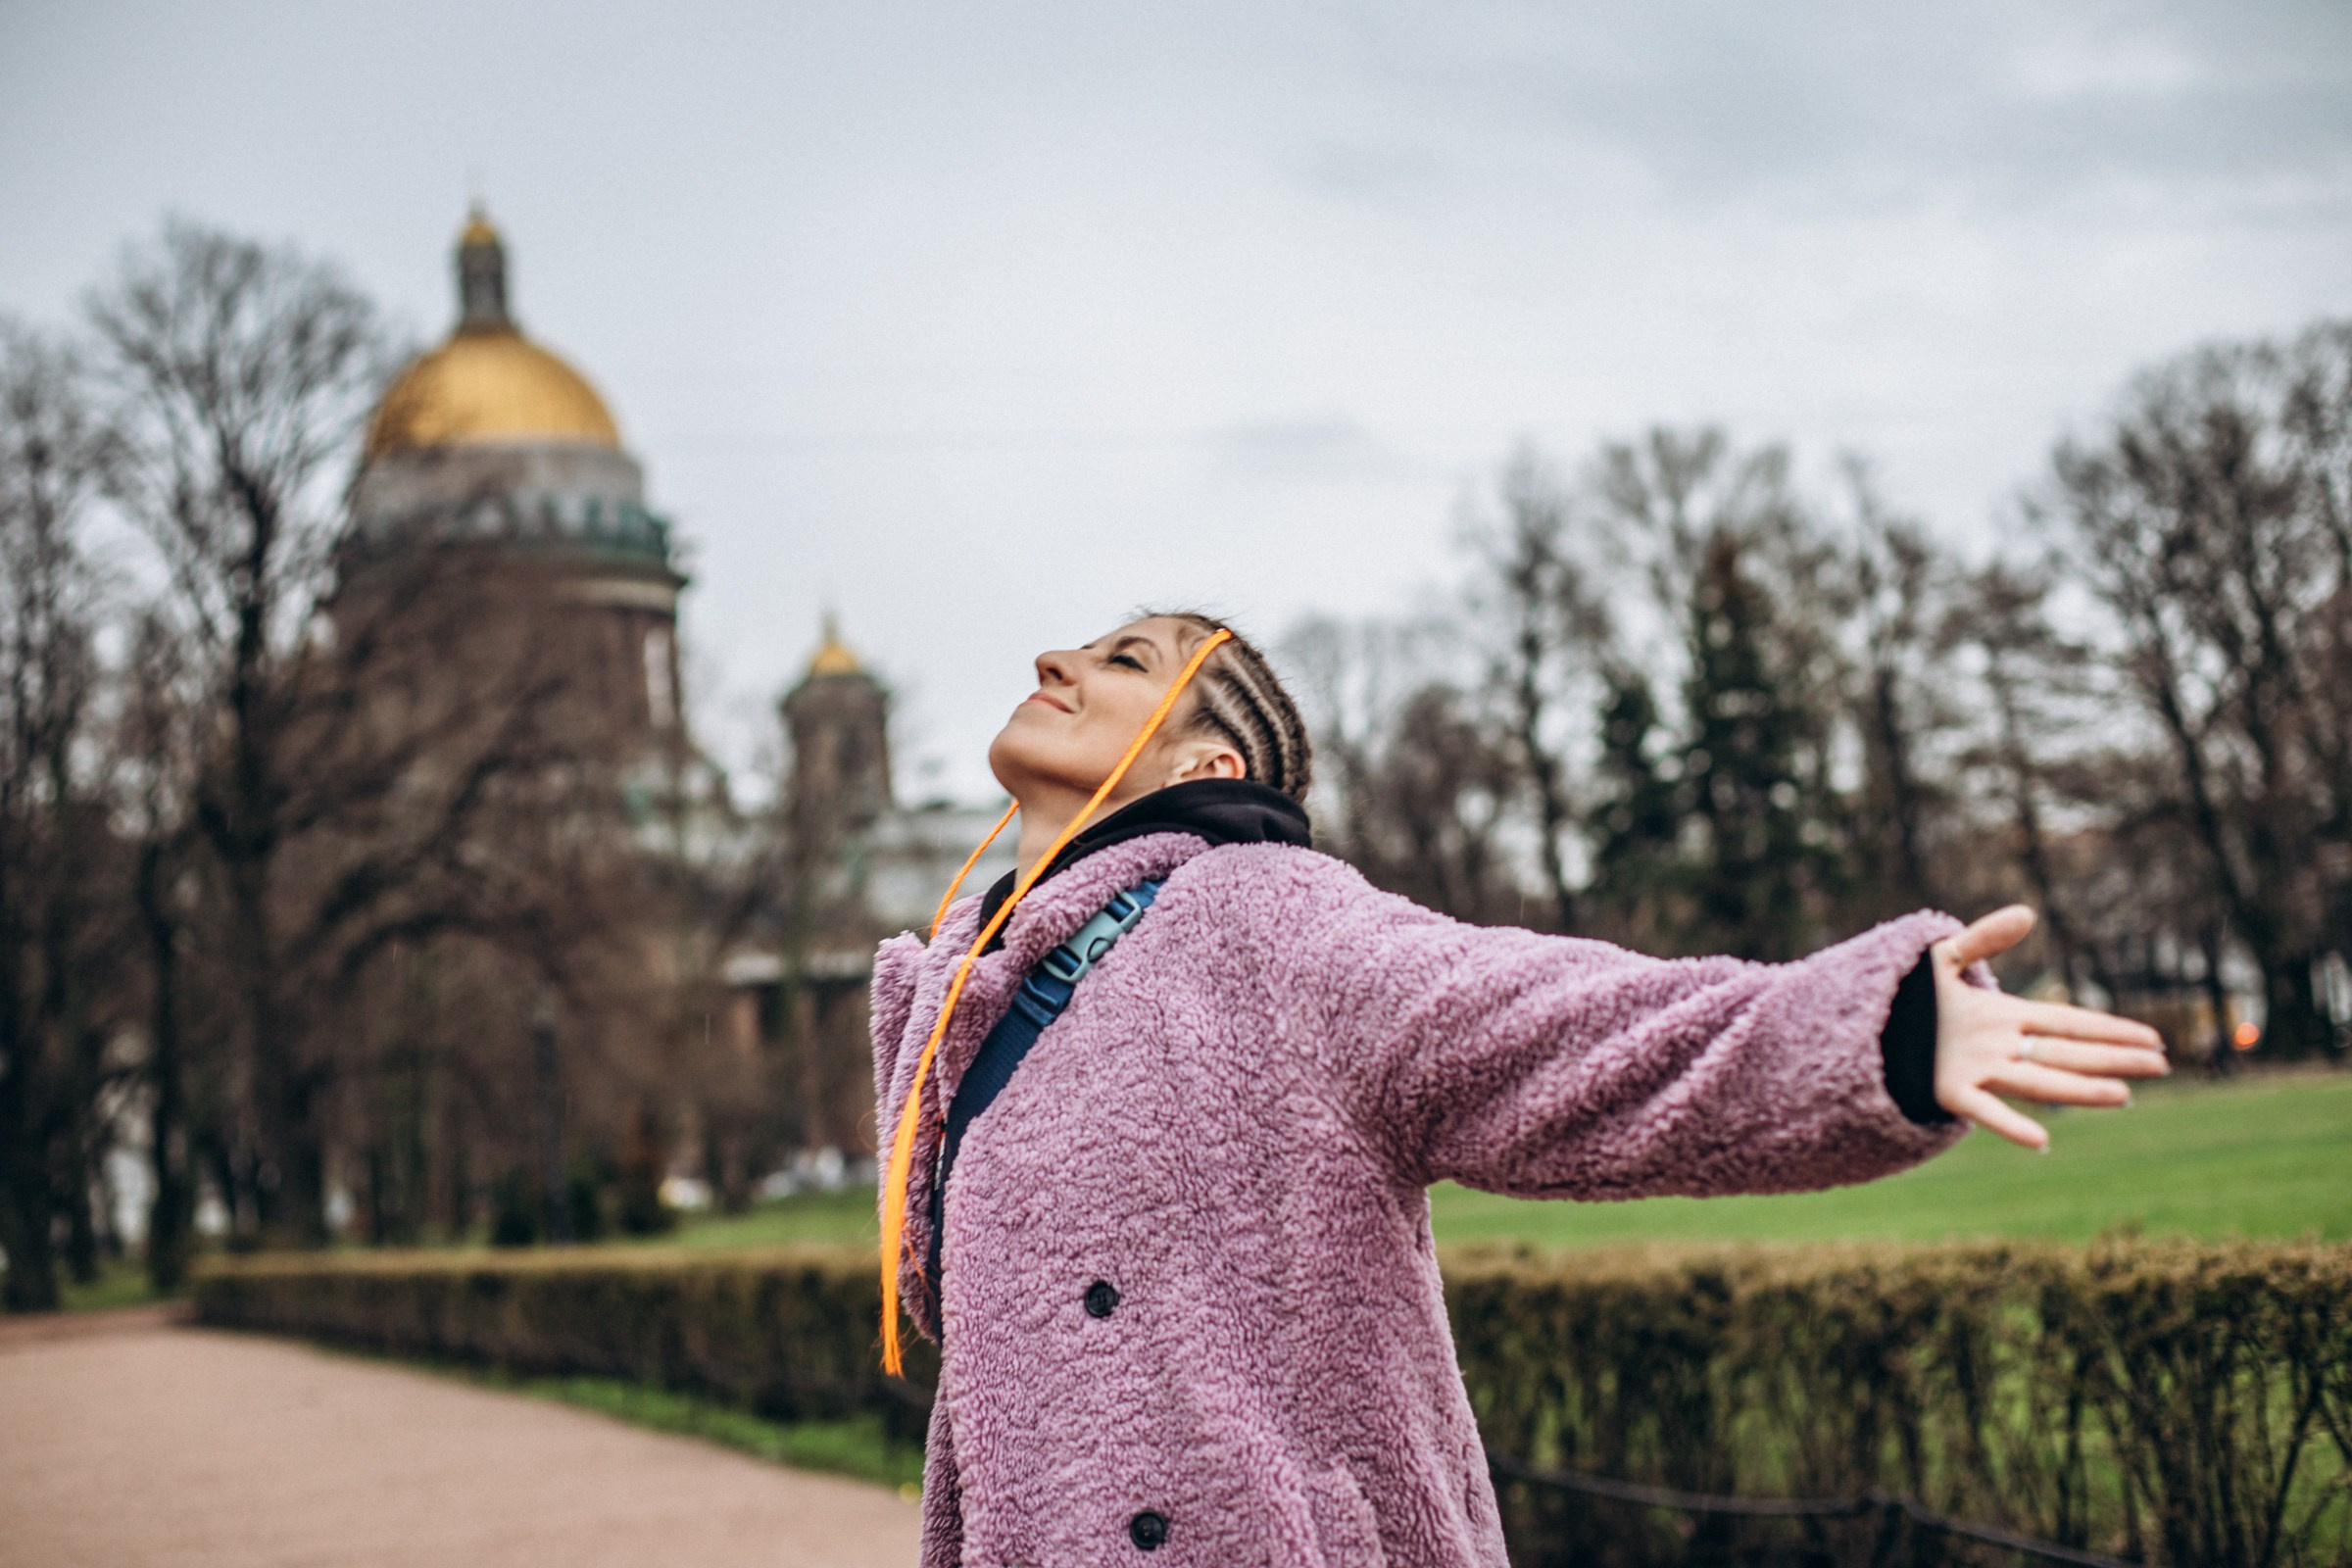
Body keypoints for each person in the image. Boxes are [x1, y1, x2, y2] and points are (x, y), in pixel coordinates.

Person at [870, 612, 2166, 1567]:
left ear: (1206, 774)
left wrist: (1864, 1030)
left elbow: (1546, 1024)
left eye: (1126, 663)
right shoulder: (962, 1009)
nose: (1059, 662)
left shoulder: (1258, 924)